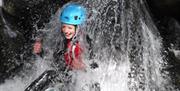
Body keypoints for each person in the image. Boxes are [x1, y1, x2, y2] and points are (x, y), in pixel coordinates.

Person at [33, 3, 96, 71]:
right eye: (64, 27)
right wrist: (40, 52)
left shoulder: (85, 42)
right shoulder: (62, 40)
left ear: (78, 28)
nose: (66, 31)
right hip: (64, 73)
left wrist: (84, 67)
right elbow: (53, 63)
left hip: (78, 77)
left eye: (69, 28)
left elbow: (95, 68)